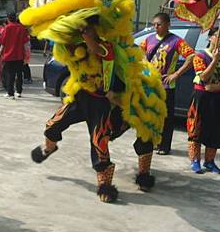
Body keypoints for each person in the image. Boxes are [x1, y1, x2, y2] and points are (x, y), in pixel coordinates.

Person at [31, 17, 155, 202]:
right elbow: (66, 48)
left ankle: (105, 185)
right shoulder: (78, 46)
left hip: (101, 102)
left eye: (89, 29)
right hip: (80, 98)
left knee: (99, 142)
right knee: (52, 124)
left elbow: (98, 49)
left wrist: (86, 33)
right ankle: (49, 148)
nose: (85, 32)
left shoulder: (107, 47)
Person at [140, 12, 194, 155]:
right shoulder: (149, 39)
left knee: (166, 117)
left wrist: (176, 74)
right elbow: (140, 54)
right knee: (149, 115)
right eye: (154, 25)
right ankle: (150, 143)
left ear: (168, 25)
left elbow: (191, 56)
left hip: (166, 86)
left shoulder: (176, 41)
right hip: (150, 84)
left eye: (159, 24)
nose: (156, 27)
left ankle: (164, 146)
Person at [186, 27, 220, 175]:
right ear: (210, 38)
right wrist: (214, 61)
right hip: (202, 96)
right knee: (197, 128)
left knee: (215, 129)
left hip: (218, 97)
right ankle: (195, 161)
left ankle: (210, 161)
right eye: (217, 36)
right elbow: (203, 77)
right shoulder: (200, 56)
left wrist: (217, 87)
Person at [0, 12, 29, 98]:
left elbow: (2, 43)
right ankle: (19, 91)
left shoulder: (7, 28)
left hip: (9, 56)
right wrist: (27, 56)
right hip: (20, 55)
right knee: (19, 74)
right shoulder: (21, 28)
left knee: (10, 74)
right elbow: (26, 44)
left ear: (8, 19)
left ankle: (10, 92)